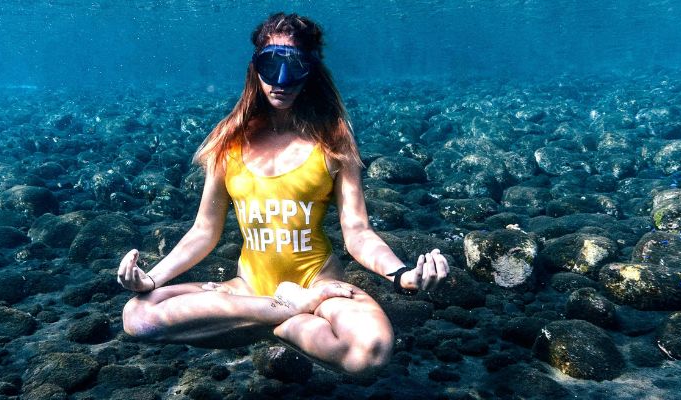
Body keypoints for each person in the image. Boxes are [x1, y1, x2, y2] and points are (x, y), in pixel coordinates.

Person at [118, 12, 449, 377]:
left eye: (294, 67)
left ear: (312, 70)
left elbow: (357, 232)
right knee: (137, 316)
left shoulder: (333, 140)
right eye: (270, 64)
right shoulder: (229, 141)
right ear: (255, 67)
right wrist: (153, 279)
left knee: (370, 352)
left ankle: (277, 319)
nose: (280, 81)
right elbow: (203, 231)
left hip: (317, 283)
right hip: (249, 288)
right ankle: (287, 311)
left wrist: (401, 274)